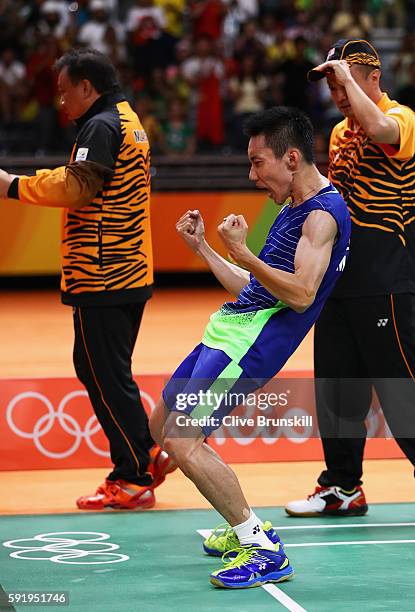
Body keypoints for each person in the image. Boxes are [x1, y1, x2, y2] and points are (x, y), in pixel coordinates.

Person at [149, 106, 351, 588]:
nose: (252, 173)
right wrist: (206, 249)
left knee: (183, 439)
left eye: (258, 162)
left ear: (292, 157)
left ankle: (260, 546)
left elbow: (301, 294)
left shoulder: (322, 215)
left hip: (250, 344)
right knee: (163, 423)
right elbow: (254, 286)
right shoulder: (291, 208)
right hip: (228, 329)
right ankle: (241, 522)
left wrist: (243, 251)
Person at [0, 48, 175, 510]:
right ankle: (148, 453)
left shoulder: (101, 127)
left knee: (102, 374)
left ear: (86, 87)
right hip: (126, 268)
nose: (61, 103)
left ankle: (133, 477)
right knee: (103, 371)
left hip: (103, 273)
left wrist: (11, 185)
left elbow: (78, 187)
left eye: (64, 92)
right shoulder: (128, 119)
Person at [286, 39, 415, 518]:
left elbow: (380, 127)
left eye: (343, 79)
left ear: (373, 78)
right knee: (338, 387)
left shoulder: (401, 118)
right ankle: (341, 486)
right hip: (339, 278)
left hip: (386, 277)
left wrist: (351, 85)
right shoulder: (340, 132)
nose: (336, 91)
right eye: (330, 82)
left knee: (402, 390)